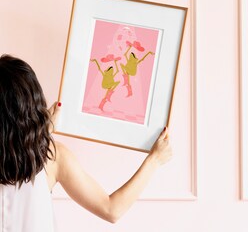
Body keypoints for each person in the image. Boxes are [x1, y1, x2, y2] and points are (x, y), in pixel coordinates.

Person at [0, 54, 172, 232]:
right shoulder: (52, 157)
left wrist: (44, 131)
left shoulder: (49, 154)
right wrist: (154, 160)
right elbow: (111, 209)